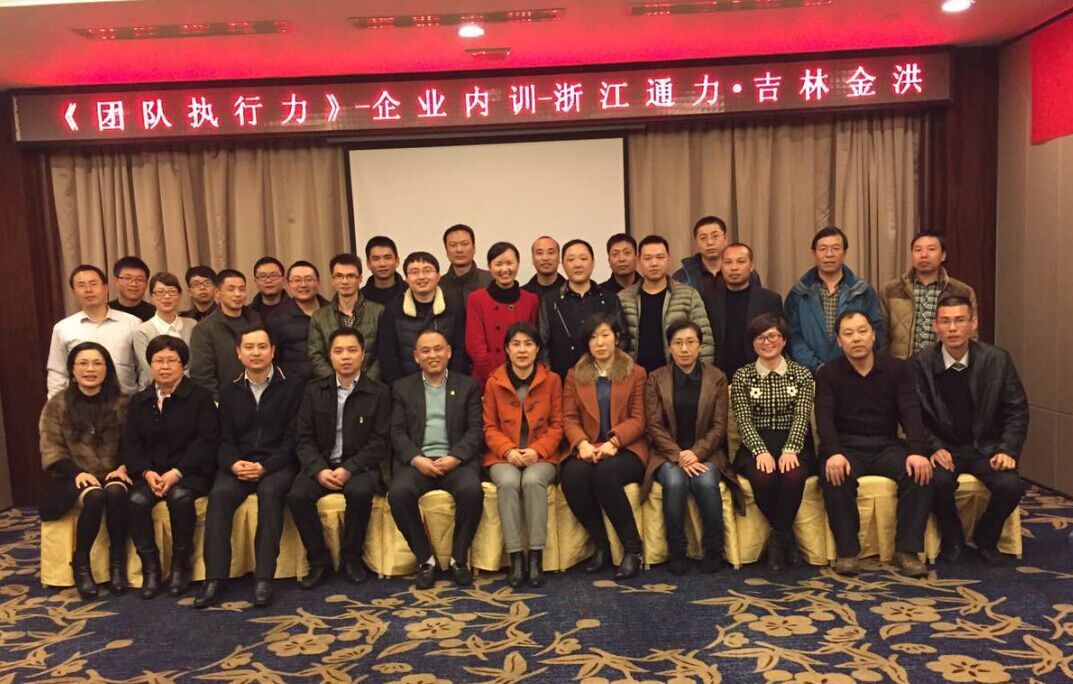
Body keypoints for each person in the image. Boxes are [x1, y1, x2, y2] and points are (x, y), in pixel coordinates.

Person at [816, 311, 933, 577]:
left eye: (862, 331)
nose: (856, 338)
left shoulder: (897, 369)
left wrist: (917, 451)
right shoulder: (828, 373)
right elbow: (824, 418)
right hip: (846, 447)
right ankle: (848, 552)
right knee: (834, 475)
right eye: (848, 334)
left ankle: (907, 550)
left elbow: (910, 411)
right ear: (839, 341)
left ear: (873, 335)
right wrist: (833, 453)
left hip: (886, 445)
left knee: (919, 473)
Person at [194, 325, 302, 608]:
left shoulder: (293, 386)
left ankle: (264, 578)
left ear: (273, 351)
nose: (256, 353)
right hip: (239, 463)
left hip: (278, 464)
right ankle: (215, 578)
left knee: (270, 493)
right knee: (219, 495)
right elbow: (224, 439)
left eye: (262, 347)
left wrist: (266, 467)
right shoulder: (229, 390)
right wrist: (233, 464)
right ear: (239, 353)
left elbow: (294, 440)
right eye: (249, 347)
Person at [916, 295, 1029, 565]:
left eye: (960, 320)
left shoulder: (997, 359)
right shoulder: (920, 363)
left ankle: (986, 537)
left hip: (985, 447)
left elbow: (1017, 410)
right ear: (935, 326)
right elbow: (913, 417)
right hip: (944, 448)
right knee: (935, 482)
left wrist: (1007, 449)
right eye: (945, 322)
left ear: (973, 323)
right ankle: (953, 538)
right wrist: (933, 447)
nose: (953, 328)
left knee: (1012, 486)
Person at [288, 328, 391, 588]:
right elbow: (303, 438)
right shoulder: (314, 390)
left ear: (363, 355)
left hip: (359, 467)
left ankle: (352, 558)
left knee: (359, 492)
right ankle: (318, 560)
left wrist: (349, 468)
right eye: (339, 351)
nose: (345, 357)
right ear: (330, 356)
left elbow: (380, 442)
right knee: (298, 495)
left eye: (352, 350)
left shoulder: (378, 392)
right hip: (321, 465)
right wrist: (319, 469)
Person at [123, 336, 218, 599]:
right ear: (150, 364)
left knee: (180, 498)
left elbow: (207, 440)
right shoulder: (139, 401)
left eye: (171, 361)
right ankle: (151, 568)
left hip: (190, 472)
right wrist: (146, 472)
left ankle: (180, 567)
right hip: (152, 474)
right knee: (136, 501)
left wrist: (177, 472)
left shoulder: (200, 397)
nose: (164, 366)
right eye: (158, 361)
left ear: (183, 364)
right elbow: (131, 443)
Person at [388, 329, 484, 589]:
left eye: (438, 349)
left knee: (472, 490)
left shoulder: (468, 386)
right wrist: (416, 459)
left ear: (449, 352)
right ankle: (425, 560)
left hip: (455, 461)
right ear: (416, 356)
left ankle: (458, 559)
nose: (433, 355)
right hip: (418, 462)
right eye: (426, 351)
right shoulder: (402, 388)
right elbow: (396, 432)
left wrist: (455, 457)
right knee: (399, 494)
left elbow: (475, 430)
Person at [39, 343, 132, 600]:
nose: (90, 369)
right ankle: (81, 565)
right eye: (83, 363)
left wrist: (124, 465)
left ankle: (116, 564)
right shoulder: (57, 404)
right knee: (95, 495)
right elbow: (51, 448)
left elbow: (135, 443)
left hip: (115, 472)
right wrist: (76, 472)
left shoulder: (123, 403)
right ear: (72, 369)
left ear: (107, 369)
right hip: (70, 475)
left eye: (97, 363)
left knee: (115, 492)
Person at [644, 320, 737, 575]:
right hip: (667, 453)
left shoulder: (717, 378)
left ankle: (714, 550)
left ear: (700, 346)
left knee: (705, 483)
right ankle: (677, 551)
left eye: (690, 342)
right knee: (675, 483)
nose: (684, 349)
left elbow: (719, 426)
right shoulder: (656, 378)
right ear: (669, 347)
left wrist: (696, 453)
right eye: (678, 343)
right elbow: (653, 425)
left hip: (707, 452)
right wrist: (678, 455)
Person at [561, 313, 648, 580]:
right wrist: (582, 443)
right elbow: (569, 418)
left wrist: (614, 441)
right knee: (572, 476)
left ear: (616, 338)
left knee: (605, 475)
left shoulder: (636, 373)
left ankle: (632, 549)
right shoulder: (574, 375)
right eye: (593, 337)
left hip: (626, 449)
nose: (599, 343)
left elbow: (639, 419)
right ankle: (601, 546)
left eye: (605, 335)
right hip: (588, 448)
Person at [730, 313, 816, 572]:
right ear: (752, 343)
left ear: (784, 339)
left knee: (792, 476)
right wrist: (760, 451)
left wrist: (791, 448)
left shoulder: (801, 374)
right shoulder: (742, 376)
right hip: (756, 442)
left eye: (773, 336)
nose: (767, 342)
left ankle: (778, 539)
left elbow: (802, 416)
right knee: (764, 478)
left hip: (794, 441)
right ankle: (785, 537)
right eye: (760, 337)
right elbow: (743, 420)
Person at [482, 322, 563, 587]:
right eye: (516, 344)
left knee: (532, 480)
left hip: (541, 455)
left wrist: (536, 450)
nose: (522, 350)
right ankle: (516, 558)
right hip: (503, 455)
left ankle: (536, 557)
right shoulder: (494, 382)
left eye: (528, 344)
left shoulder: (552, 380)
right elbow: (489, 427)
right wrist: (508, 450)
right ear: (507, 349)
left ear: (537, 348)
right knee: (507, 482)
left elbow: (557, 425)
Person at [785, 226, 885, 371]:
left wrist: (851, 365)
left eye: (835, 248)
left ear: (844, 253)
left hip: (854, 372)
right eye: (823, 249)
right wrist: (817, 367)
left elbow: (876, 332)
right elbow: (792, 336)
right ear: (814, 253)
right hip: (809, 373)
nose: (829, 254)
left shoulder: (862, 291)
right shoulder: (799, 292)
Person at [619, 235, 714, 373]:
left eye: (660, 257)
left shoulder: (689, 295)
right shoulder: (623, 298)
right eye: (648, 258)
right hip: (635, 377)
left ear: (669, 259)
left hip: (678, 377)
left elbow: (705, 342)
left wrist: (701, 376)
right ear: (638, 261)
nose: (654, 263)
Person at [880, 231, 979, 359]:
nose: (924, 255)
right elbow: (882, 334)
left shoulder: (961, 291)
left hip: (945, 364)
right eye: (918, 250)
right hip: (902, 364)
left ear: (943, 255)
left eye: (931, 249)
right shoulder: (891, 289)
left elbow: (971, 334)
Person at [47, 264, 141, 397]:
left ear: (106, 288)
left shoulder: (132, 323)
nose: (88, 290)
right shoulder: (63, 328)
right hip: (80, 404)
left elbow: (143, 369)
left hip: (126, 401)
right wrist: (56, 404)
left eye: (93, 284)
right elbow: (57, 372)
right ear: (73, 292)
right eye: (81, 285)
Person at [539, 240, 625, 379]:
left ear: (593, 263)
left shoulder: (610, 299)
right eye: (571, 259)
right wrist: (550, 379)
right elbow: (544, 344)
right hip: (563, 379)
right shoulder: (550, 301)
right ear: (563, 264)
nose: (577, 264)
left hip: (605, 379)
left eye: (583, 259)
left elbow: (622, 339)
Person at [378, 252, 467, 385]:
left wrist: (452, 385)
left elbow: (460, 352)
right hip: (405, 388)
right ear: (407, 279)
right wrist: (400, 389)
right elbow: (388, 356)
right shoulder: (393, 311)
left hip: (449, 386)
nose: (421, 277)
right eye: (414, 272)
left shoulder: (454, 307)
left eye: (427, 271)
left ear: (438, 276)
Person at [465, 242, 540, 388]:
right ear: (489, 267)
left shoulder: (531, 300)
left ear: (518, 264)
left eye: (509, 263)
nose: (504, 269)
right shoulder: (476, 299)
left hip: (524, 378)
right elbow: (475, 346)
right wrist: (496, 378)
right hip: (487, 378)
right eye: (498, 264)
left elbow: (534, 341)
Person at [711, 243, 783, 379]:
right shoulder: (709, 300)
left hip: (760, 375)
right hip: (720, 377)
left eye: (740, 261)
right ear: (721, 266)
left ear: (751, 266)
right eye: (728, 262)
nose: (734, 267)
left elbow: (778, 341)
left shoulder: (770, 300)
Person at [188, 269, 261, 402]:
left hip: (260, 397)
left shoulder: (256, 320)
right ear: (218, 293)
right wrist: (218, 402)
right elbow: (202, 375)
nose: (238, 294)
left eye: (242, 289)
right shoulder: (204, 329)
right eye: (231, 289)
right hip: (225, 401)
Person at [308, 253, 383, 381]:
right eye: (339, 276)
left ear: (360, 279)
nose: (345, 281)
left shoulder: (378, 312)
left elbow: (383, 354)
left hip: (371, 386)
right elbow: (315, 356)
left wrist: (364, 383)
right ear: (332, 280)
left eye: (350, 276)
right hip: (332, 387)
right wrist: (338, 382)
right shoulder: (319, 316)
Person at [266, 260, 329, 383]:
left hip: (329, 383)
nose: (303, 285)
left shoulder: (332, 311)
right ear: (288, 284)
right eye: (297, 280)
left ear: (318, 281)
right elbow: (273, 359)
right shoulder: (276, 318)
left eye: (309, 279)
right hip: (293, 386)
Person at [133, 273, 197, 389]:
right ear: (152, 297)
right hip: (154, 391)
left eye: (172, 291)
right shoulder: (142, 331)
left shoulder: (192, 325)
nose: (167, 296)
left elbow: (195, 364)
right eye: (160, 292)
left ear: (179, 295)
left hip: (190, 390)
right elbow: (149, 369)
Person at [440, 224, 492, 310]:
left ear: (474, 248)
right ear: (446, 251)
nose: (459, 250)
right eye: (453, 245)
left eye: (464, 244)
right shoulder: (438, 286)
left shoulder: (491, 281)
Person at [672, 216, 729, 294]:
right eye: (703, 238)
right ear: (696, 243)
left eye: (715, 236)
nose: (710, 242)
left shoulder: (739, 271)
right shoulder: (682, 277)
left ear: (725, 238)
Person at [361, 235, 407, 306]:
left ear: (397, 261)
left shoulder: (411, 293)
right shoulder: (360, 298)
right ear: (368, 264)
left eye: (387, 258)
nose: (382, 264)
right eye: (376, 259)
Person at [109, 256, 156, 321]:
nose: (134, 284)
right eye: (128, 278)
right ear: (116, 281)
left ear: (146, 284)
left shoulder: (155, 315)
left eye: (139, 279)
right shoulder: (106, 312)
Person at [522, 235, 566, 300]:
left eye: (551, 253)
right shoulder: (522, 295)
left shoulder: (571, 292)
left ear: (559, 258)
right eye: (540, 253)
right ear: (532, 259)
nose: (545, 258)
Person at [251, 256, 290, 321]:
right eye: (263, 276)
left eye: (273, 275)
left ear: (283, 280)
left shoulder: (296, 309)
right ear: (256, 281)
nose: (268, 280)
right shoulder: (247, 313)